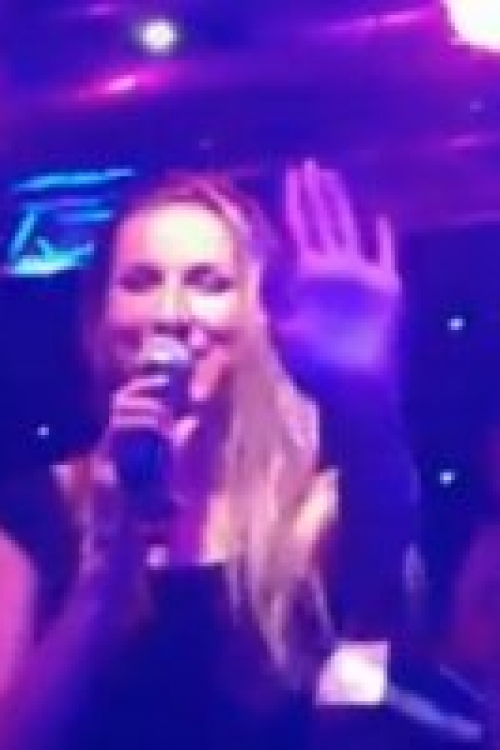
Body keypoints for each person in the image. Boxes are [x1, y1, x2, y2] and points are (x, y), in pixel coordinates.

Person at [0, 160, 417, 750]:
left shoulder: (315, 508)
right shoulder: (32, 510)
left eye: (209, 283)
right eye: (140, 282)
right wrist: (108, 572)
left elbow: (368, 679)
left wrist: (366, 398)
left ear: (260, 313)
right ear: (99, 317)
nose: (171, 314)